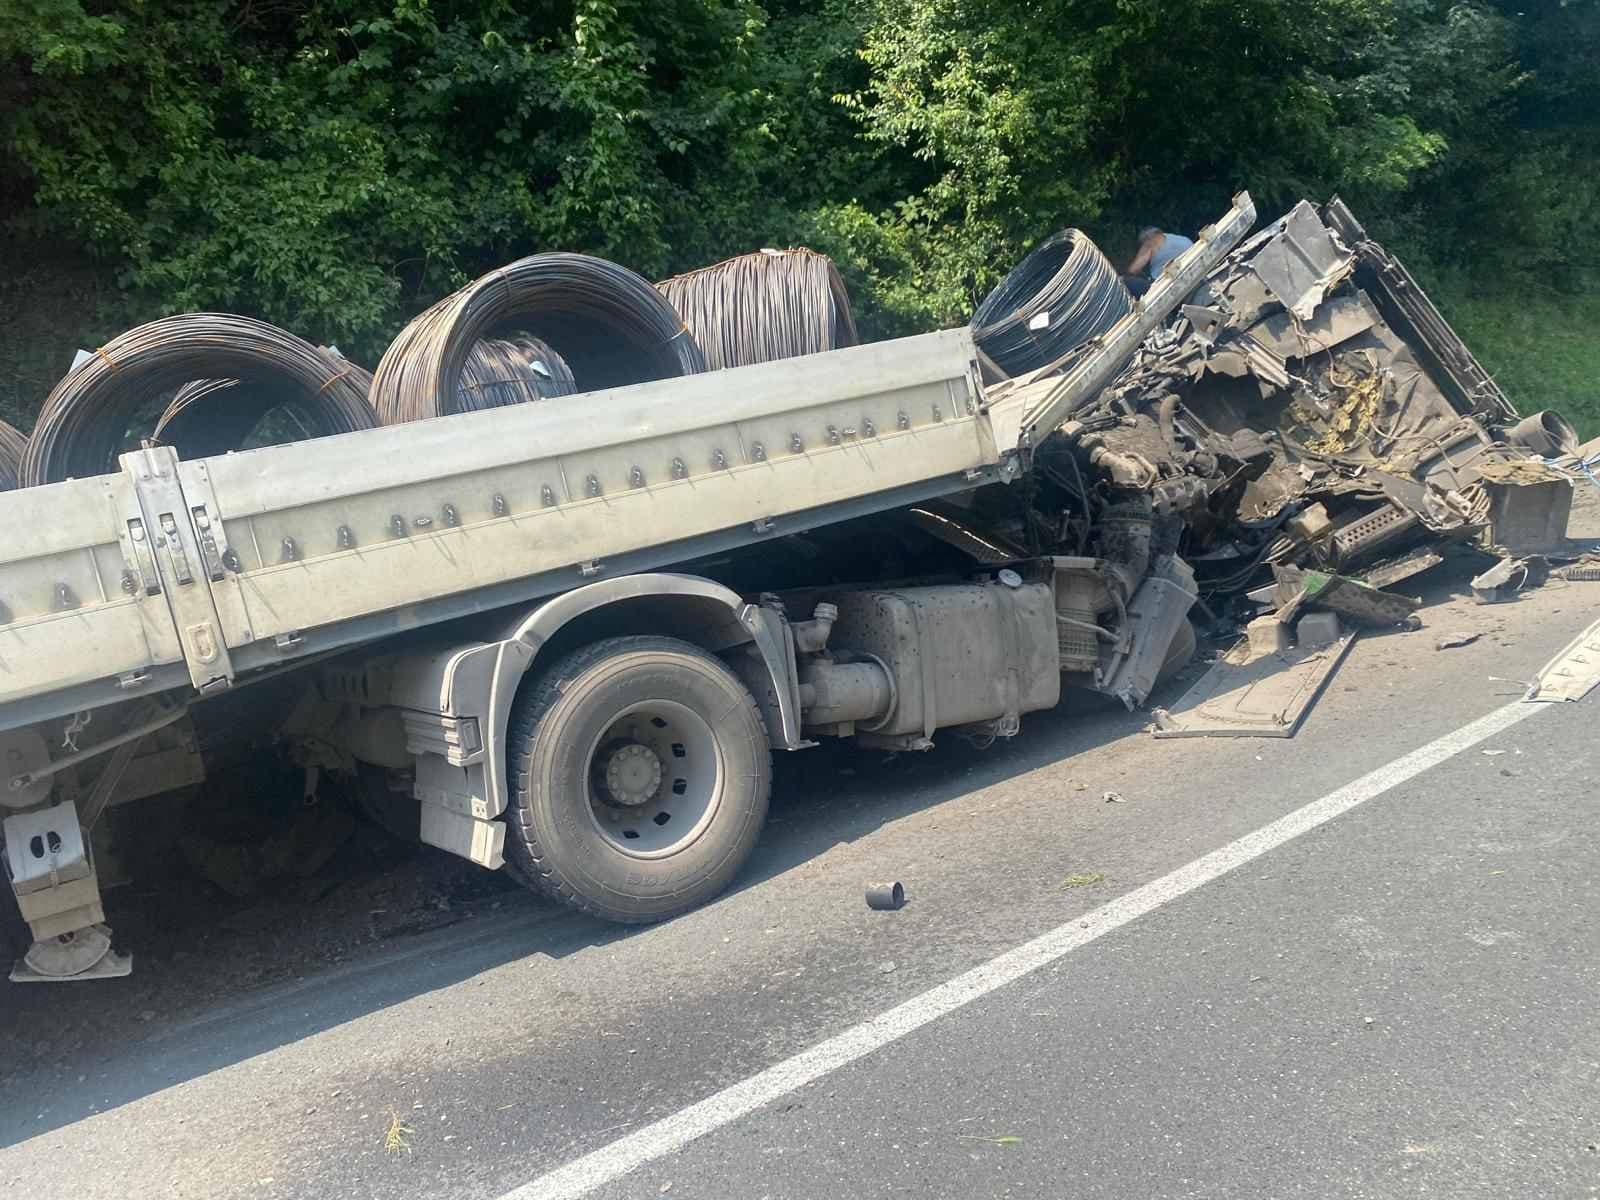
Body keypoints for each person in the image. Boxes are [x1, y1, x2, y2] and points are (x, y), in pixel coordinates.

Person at [1122, 225, 1194, 297]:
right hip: (1193, 274)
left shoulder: (1150, 242)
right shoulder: (1183, 239)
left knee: (1124, 281)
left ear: (1147, 239)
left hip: (1168, 287)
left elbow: (1134, 269)